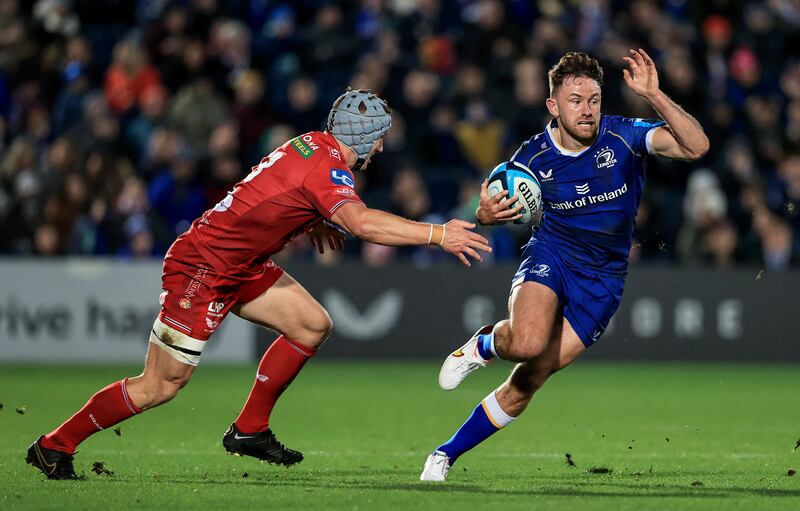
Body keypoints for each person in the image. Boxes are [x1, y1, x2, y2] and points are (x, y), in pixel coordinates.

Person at [26, 89, 491, 480]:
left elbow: (277, 193)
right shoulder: (329, 171)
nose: (383, 149)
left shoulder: (311, 144)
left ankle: (250, 428)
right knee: (160, 386)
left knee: (311, 325)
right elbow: (363, 223)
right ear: (365, 139)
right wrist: (438, 234)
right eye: (380, 139)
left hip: (241, 264)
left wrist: (314, 219)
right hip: (203, 269)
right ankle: (55, 445)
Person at [420, 50, 709, 481]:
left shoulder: (625, 136)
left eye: (593, 99)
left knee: (529, 379)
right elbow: (493, 209)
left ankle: (444, 453)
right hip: (552, 256)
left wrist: (654, 95)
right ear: (553, 106)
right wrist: (483, 214)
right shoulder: (532, 158)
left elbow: (697, 146)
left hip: (604, 280)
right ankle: (483, 345)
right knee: (526, 343)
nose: (587, 110)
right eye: (575, 100)